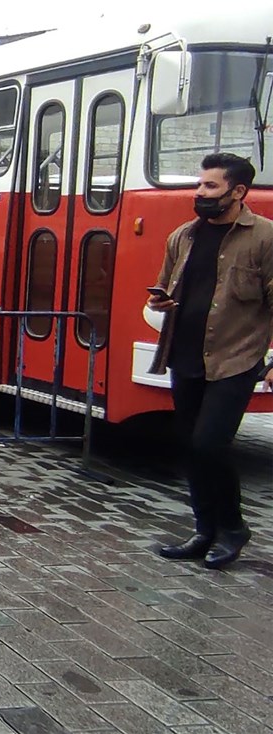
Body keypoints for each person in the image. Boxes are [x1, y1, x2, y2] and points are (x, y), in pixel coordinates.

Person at [147, 152, 273, 570]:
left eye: (210, 186)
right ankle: (204, 530)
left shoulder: (264, 238)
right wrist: (159, 301)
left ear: (238, 192)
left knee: (210, 443)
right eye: (199, 185)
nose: (200, 193)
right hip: (184, 356)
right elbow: (163, 289)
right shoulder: (183, 235)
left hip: (235, 358)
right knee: (191, 446)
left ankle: (233, 528)